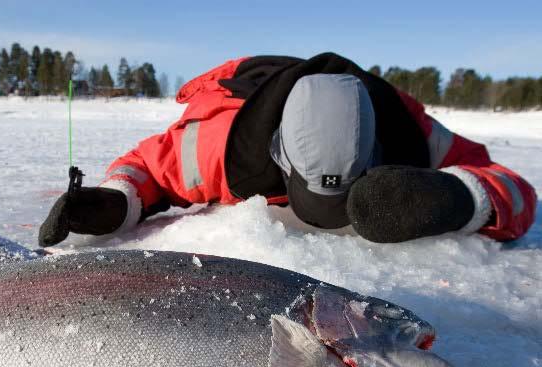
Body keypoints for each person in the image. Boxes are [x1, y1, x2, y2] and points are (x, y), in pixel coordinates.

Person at [39, 53, 536, 246]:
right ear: (279, 155)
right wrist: (118, 201)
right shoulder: (218, 143)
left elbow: (514, 188)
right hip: (248, 94)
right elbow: (145, 166)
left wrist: (457, 198)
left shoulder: (411, 133)